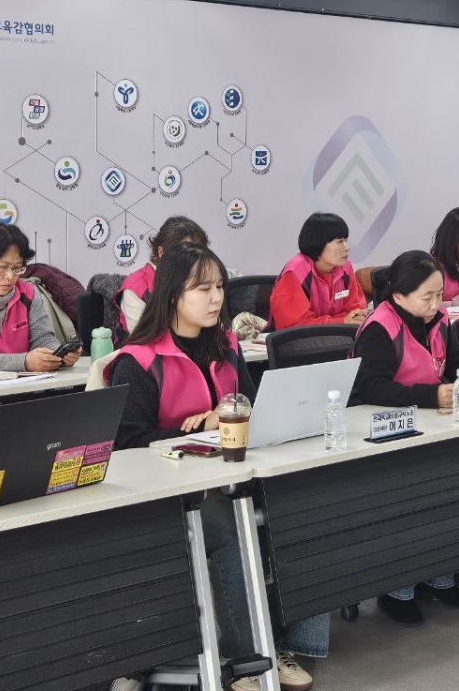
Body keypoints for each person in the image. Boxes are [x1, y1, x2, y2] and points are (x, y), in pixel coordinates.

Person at [109, 243, 324, 691]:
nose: (216, 298)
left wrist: (230, 414)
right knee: (229, 530)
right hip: (171, 492)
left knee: (307, 503)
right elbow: (127, 445)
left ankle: (290, 640)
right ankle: (248, 660)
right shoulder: (139, 359)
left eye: (220, 287)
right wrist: (195, 430)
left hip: (233, 474)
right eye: (202, 289)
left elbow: (249, 404)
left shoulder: (226, 344)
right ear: (172, 294)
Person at [350, 250, 459, 624]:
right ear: (398, 296)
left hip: (433, 427)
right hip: (388, 433)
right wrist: (431, 396)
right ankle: (396, 590)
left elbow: (457, 364)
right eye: (427, 297)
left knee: (455, 489)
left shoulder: (441, 319)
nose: (436, 305)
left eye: (439, 295)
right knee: (410, 498)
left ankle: (441, 579)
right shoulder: (379, 328)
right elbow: (369, 387)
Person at [0, 222, 80, 372]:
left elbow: (43, 339)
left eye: (17, 268)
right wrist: (24, 362)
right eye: (2, 267)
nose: (11, 277)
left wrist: (58, 355)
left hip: (27, 383)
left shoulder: (28, 293)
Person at [114, 215, 209, 344]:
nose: (195, 260)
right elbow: (143, 340)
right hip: (142, 352)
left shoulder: (203, 281)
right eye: (186, 252)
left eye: (199, 252)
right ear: (161, 252)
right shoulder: (136, 287)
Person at [270, 212, 368, 329]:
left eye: (345, 240)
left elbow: (357, 313)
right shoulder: (295, 273)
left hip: (336, 336)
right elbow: (294, 326)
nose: (347, 248)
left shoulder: (346, 268)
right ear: (319, 243)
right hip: (297, 339)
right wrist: (341, 321)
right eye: (339, 241)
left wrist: (342, 321)